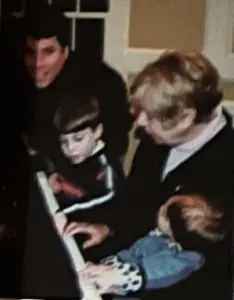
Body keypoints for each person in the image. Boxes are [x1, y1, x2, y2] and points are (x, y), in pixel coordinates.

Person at [71, 50, 233, 300]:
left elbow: (204, 270)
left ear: (185, 117)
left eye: (151, 115)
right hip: (130, 269)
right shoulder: (155, 140)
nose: (141, 123)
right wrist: (108, 228)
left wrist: (124, 281)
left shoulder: (226, 168)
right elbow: (137, 204)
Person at [19, 3, 132, 162]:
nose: (38, 63)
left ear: (65, 52)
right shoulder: (16, 79)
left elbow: (117, 143)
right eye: (31, 53)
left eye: (48, 52)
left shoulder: (103, 82)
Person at [79, 193, 226, 296]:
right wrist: (104, 266)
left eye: (164, 213)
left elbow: (142, 273)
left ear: (175, 232)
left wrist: (113, 275)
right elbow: (132, 253)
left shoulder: (179, 262)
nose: (161, 208)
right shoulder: (163, 236)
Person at [45, 89, 126, 261]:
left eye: (78, 139)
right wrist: (54, 179)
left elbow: (106, 195)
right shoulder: (74, 154)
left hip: (93, 240)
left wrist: (62, 210)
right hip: (67, 224)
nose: (70, 149)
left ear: (97, 132)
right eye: (63, 142)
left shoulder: (106, 165)